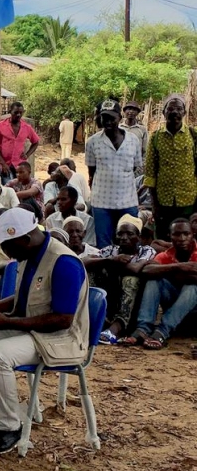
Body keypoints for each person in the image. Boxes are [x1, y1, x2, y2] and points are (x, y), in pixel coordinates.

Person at [0, 208, 90, 454]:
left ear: (24, 239)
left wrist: (7, 322)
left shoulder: (63, 262)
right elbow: (23, 300)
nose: (5, 252)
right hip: (30, 329)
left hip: (58, 339)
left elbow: (63, 319)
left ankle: (9, 427)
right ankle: (4, 414)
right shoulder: (30, 254)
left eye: (7, 245)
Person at [121, 218, 197, 349]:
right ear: (170, 236)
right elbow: (147, 270)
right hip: (173, 309)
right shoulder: (166, 255)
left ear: (193, 235)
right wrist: (179, 268)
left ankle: (162, 331)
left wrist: (169, 272)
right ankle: (143, 329)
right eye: (177, 234)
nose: (182, 238)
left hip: (194, 316)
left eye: (186, 234)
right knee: (154, 280)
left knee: (192, 287)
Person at [83, 214, 155, 342]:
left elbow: (135, 269)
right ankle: (97, 317)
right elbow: (83, 262)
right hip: (111, 297)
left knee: (130, 279)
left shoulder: (146, 251)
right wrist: (111, 260)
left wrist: (110, 264)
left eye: (129, 234)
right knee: (91, 272)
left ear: (138, 237)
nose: (124, 238)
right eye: (120, 234)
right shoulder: (112, 250)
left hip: (133, 305)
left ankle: (118, 327)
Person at [85, 99, 142, 247]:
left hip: (127, 201)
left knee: (129, 243)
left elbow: (135, 167)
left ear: (119, 118)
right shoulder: (92, 142)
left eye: (112, 117)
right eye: (104, 117)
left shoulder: (133, 140)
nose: (108, 121)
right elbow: (92, 170)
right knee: (104, 244)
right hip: (102, 202)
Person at [144, 95, 197, 241]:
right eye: (170, 108)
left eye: (179, 109)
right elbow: (150, 173)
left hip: (189, 199)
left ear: (184, 113)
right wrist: (154, 205)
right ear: (164, 113)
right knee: (163, 237)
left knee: (187, 239)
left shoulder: (193, 135)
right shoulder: (155, 137)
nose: (175, 112)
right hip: (163, 201)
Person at [0, 102, 39, 180]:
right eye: (16, 112)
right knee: (7, 188)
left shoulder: (26, 127)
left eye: (21, 113)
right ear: (10, 111)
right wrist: (3, 163)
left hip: (19, 165)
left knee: (19, 188)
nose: (18, 115)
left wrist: (27, 155)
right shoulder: (0, 126)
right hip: (5, 165)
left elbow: (36, 142)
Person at [121, 101, 148, 169]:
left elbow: (145, 150)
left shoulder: (142, 130)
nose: (131, 111)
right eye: (129, 109)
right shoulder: (118, 128)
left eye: (134, 109)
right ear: (124, 111)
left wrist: (142, 165)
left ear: (137, 113)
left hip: (136, 167)